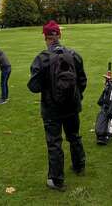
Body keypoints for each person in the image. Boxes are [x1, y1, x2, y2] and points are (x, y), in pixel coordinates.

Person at [27, 20, 87, 192]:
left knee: (54, 143)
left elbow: (33, 87)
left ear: (46, 37)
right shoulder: (74, 55)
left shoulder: (42, 59)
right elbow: (82, 81)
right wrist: (76, 97)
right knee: (74, 136)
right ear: (59, 35)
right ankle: (79, 166)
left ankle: (56, 179)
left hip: (51, 109)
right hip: (72, 106)